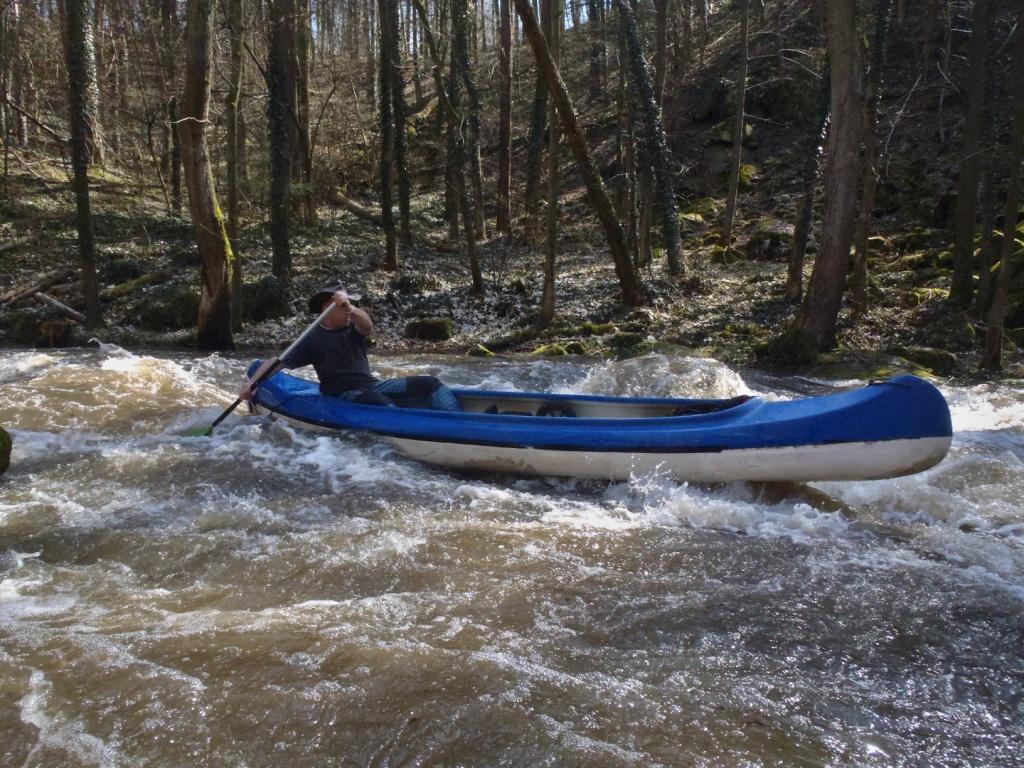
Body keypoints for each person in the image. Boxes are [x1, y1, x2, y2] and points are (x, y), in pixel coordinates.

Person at [240, 281, 461, 411]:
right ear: (326, 308)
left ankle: (456, 420)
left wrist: (350, 308)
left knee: (430, 384)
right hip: (341, 394)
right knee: (379, 403)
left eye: (350, 306)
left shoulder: (353, 327)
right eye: (343, 307)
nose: (348, 311)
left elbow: (367, 325)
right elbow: (276, 363)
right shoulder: (312, 338)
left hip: (371, 385)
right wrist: (251, 383)